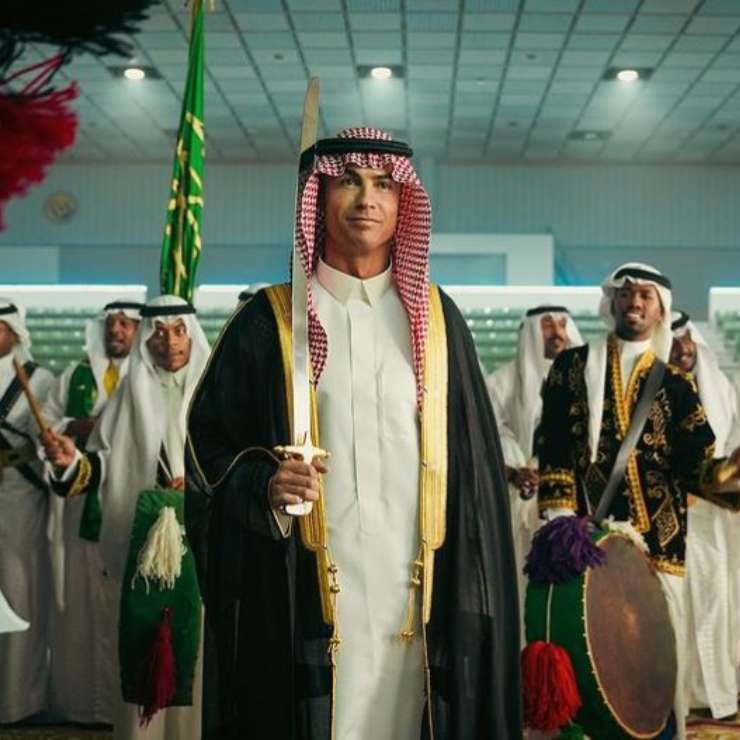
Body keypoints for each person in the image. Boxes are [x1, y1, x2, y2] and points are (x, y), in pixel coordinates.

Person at [186, 127, 521, 739]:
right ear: (318, 197)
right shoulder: (268, 323)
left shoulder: (439, 321)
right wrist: (265, 485)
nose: (367, 198)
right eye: (349, 181)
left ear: (403, 202)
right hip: (305, 593)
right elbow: (208, 451)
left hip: (418, 596)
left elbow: (474, 475)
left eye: (384, 185)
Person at [536, 263, 740, 739]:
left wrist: (730, 476)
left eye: (646, 295)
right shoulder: (571, 368)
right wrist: (561, 521)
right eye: (626, 293)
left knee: (653, 668)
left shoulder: (676, 384)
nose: (635, 302)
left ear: (661, 310)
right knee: (586, 663)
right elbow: (554, 446)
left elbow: (696, 465)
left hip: (659, 551)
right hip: (584, 543)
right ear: (613, 302)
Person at [41, 295, 210, 740]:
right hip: (140, 547)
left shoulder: (216, 395)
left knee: (196, 651)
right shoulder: (127, 398)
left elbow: (237, 463)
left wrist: (199, 487)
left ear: (192, 335)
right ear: (145, 341)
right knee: (141, 646)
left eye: (179, 331)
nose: (169, 342)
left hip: (201, 545)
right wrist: (69, 463)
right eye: (158, 333)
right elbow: (99, 467)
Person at [44, 299, 141, 724]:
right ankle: (83, 705)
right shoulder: (75, 375)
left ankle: (123, 708)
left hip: (127, 504)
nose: (115, 330)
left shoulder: (149, 377)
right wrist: (75, 428)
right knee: (81, 605)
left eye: (125, 324)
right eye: (111, 323)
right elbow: (49, 426)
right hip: (81, 501)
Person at [487, 305, 583, 629]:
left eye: (562, 324)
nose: (557, 332)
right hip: (519, 507)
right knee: (521, 585)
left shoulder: (585, 381)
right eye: (547, 325)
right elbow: (483, 439)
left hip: (573, 505)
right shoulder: (501, 382)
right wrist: (514, 469)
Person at [671, 311, 739, 721]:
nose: (682, 347)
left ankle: (715, 693)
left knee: (715, 599)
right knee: (675, 605)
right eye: (673, 340)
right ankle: (678, 694)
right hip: (667, 514)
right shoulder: (651, 389)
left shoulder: (721, 388)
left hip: (714, 517)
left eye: (687, 337)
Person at [0, 298, 55, 722]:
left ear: (15, 332)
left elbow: (50, 441)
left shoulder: (40, 380)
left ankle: (18, 701)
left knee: (20, 593)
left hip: (21, 501)